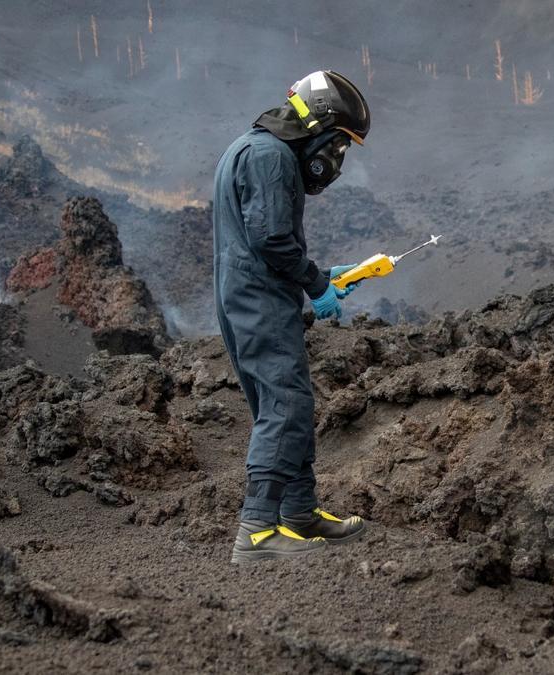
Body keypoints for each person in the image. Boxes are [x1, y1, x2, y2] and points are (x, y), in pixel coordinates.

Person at [212, 71, 370, 562]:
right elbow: (271, 239)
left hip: (255, 294)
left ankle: (298, 514)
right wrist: (316, 282)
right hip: (259, 298)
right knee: (284, 405)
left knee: (287, 404)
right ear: (319, 126)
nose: (336, 159)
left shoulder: (255, 148)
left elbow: (265, 239)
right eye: (339, 144)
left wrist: (321, 275)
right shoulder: (269, 157)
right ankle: (256, 533)